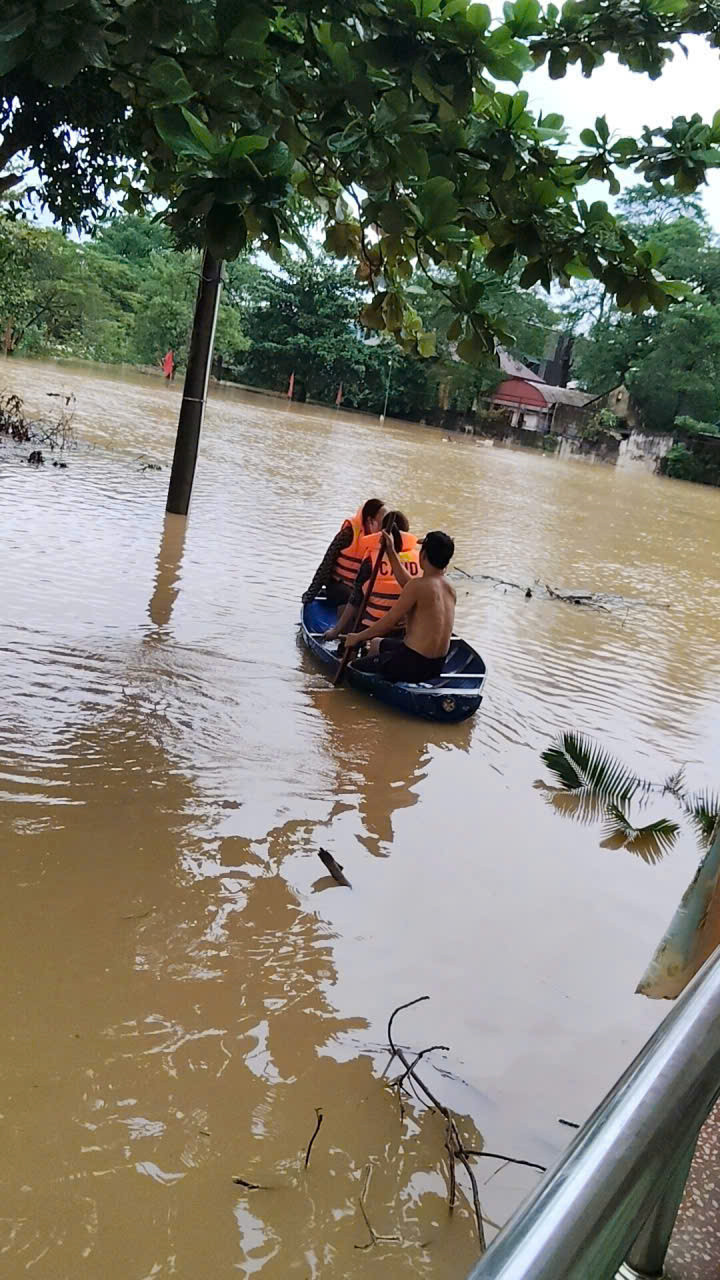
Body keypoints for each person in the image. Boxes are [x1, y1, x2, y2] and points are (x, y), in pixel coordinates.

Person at [343, 530, 456, 683]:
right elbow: (409, 584)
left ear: (423, 556)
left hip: (412, 663)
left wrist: (357, 637)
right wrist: (390, 551)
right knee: (376, 643)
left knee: (353, 667)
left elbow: (388, 623)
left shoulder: (418, 586)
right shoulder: (449, 586)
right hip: (437, 665)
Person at [321, 510, 419, 640]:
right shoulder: (418, 558)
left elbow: (356, 599)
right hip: (406, 630)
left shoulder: (372, 558)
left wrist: (335, 631)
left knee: (343, 609)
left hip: (372, 627)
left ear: (382, 533)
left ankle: (347, 648)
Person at [302, 498, 385, 606]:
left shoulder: (384, 540)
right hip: (340, 586)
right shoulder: (348, 534)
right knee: (356, 598)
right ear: (370, 521)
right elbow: (326, 563)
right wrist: (310, 595)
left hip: (363, 590)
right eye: (382, 522)